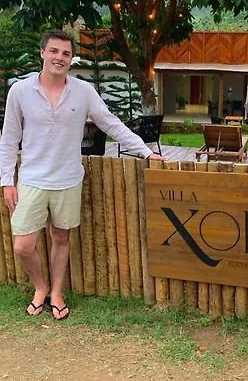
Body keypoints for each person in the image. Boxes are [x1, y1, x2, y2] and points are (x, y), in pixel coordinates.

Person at [0, 30, 164, 320]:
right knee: (23, 246)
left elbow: (111, 124)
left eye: (65, 53)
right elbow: (9, 138)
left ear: (71, 59)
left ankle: (56, 293)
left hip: (68, 179)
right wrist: (6, 182)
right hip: (31, 179)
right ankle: (40, 286)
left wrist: (145, 151)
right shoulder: (20, 91)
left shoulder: (83, 91)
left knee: (61, 238)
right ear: (42, 53)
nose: (59, 58)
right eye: (54, 51)